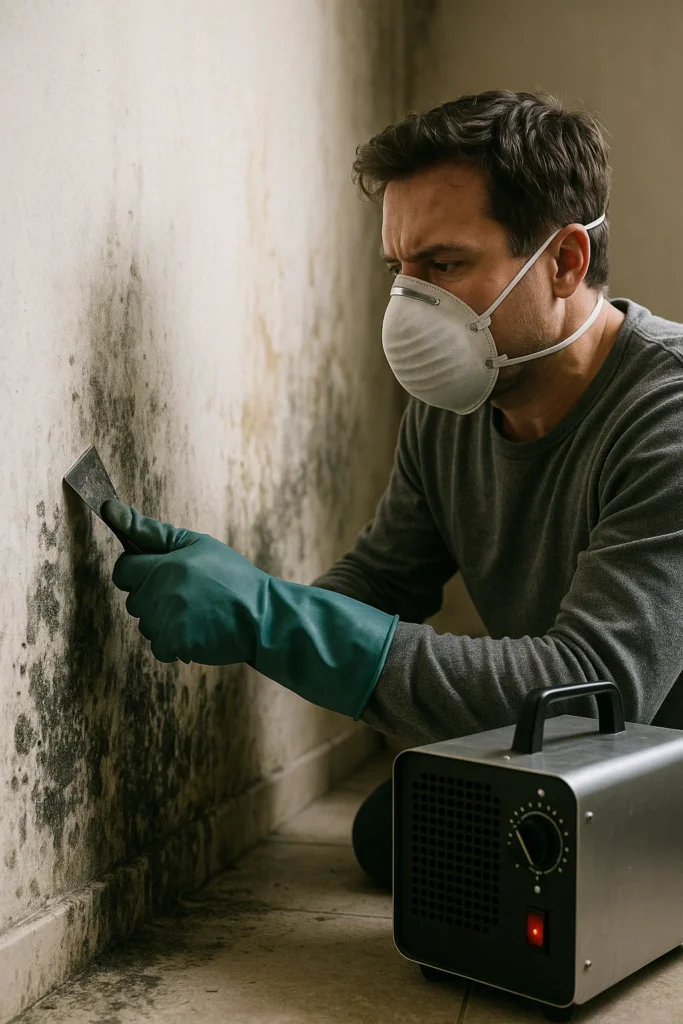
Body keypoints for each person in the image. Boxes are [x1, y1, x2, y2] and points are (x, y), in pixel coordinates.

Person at [103, 89, 683, 895]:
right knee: (401, 830)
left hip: (655, 743)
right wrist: (245, 596)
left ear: (563, 261)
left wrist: (275, 619)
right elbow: (382, 583)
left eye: (443, 265)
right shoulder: (455, 406)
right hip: (598, 774)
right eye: (397, 269)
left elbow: (594, 688)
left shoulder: (667, 416)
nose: (410, 305)